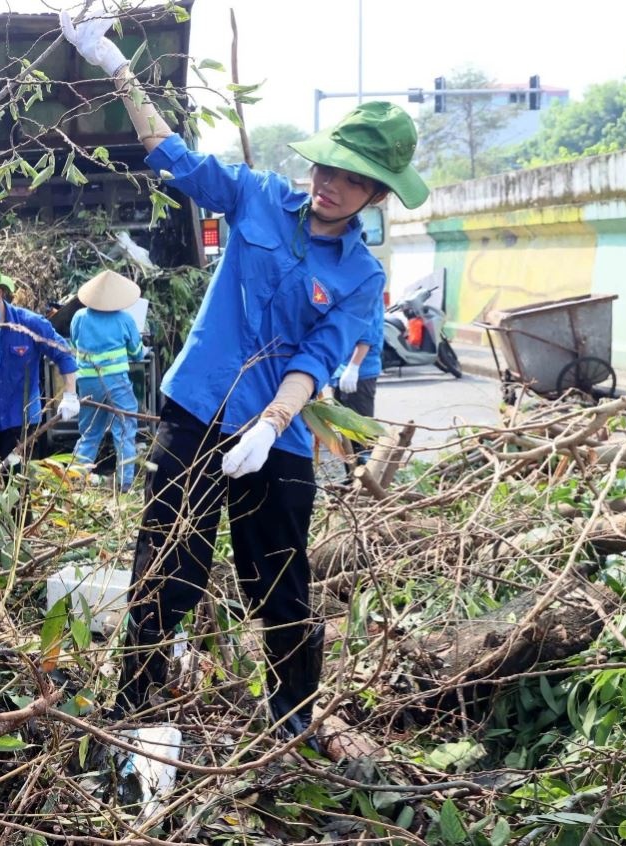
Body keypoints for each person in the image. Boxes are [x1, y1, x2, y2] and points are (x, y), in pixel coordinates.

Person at [60, 12, 429, 741]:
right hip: (197, 410)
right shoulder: (257, 196)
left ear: (376, 195)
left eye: (353, 180)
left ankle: (291, 720)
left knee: (279, 581)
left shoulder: (360, 276)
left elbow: (316, 359)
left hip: (275, 438)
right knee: (166, 568)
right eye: (328, 168)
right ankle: (132, 708)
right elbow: (173, 156)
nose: (331, 185)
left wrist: (271, 423)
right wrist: (117, 69)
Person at [0, 257, 79, 463]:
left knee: (18, 479)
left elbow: (63, 353)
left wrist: (70, 394)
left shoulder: (29, 324)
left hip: (22, 425)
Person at [68, 270, 144, 493]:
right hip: (117, 382)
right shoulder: (125, 319)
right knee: (125, 428)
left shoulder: (80, 317)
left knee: (90, 432)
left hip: (87, 381)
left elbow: (73, 343)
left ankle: (76, 481)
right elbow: (137, 353)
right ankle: (125, 484)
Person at [332, 297, 386, 464]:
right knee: (345, 432)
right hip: (341, 372)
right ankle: (352, 475)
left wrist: (354, 367)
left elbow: (367, 335)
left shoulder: (369, 293)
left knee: (362, 433)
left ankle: (367, 474)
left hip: (358, 374)